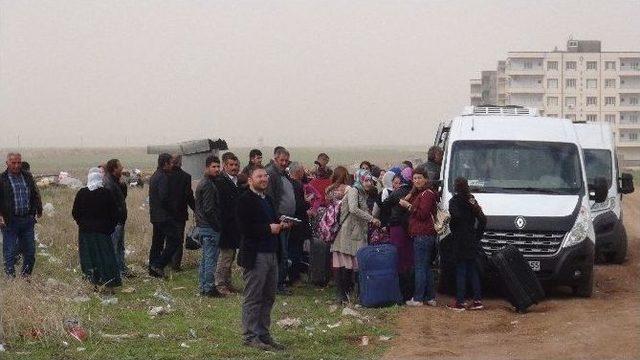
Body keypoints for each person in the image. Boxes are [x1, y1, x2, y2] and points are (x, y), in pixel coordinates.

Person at [236, 166, 289, 351]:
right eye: (259, 176)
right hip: (255, 255)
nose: (264, 179)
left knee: (268, 296)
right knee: (253, 297)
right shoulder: (244, 200)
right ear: (250, 179)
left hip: (272, 253)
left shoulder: (268, 199)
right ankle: (250, 336)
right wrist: (269, 229)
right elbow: (244, 229)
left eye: (265, 175)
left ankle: (263, 334)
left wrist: (281, 224)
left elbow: (270, 222)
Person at [331, 169, 380, 303]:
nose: (369, 183)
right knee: (345, 262)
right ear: (359, 179)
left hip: (355, 232)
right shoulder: (354, 191)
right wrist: (371, 218)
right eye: (365, 180)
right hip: (348, 232)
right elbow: (353, 209)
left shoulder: (362, 192)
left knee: (351, 263)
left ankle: (347, 295)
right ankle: (342, 295)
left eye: (370, 180)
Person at [72, 168, 121, 292]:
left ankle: (92, 283)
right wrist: (110, 227)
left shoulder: (82, 193)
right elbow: (115, 214)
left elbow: (75, 212)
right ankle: (109, 284)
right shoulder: (106, 193)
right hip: (103, 233)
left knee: (89, 257)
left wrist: (82, 224)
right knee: (105, 257)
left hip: (86, 233)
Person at [447, 177, 486, 311]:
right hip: (471, 239)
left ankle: (460, 301)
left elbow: (456, 217)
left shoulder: (454, 201)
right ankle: (477, 300)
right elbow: (483, 220)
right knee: (473, 270)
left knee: (461, 270)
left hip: (459, 240)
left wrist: (452, 224)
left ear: (455, 187)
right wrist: (477, 236)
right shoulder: (471, 199)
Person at [0, 153, 42, 277]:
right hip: (9, 222)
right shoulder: (2, 179)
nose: (17, 165)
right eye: (13, 163)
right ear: (7, 163)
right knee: (10, 252)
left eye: (19, 162)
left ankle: (25, 277)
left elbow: (35, 194)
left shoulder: (27, 177)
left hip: (27, 221)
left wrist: (36, 211)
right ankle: (11, 279)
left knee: (30, 252)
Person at [402, 169, 438, 307]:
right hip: (425, 234)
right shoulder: (422, 193)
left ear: (426, 179)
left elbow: (422, 214)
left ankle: (417, 298)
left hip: (422, 234)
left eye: (419, 178)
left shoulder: (427, 194)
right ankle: (430, 297)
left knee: (420, 267)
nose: (417, 180)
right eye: (415, 178)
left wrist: (409, 206)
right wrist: (411, 193)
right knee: (426, 266)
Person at [265, 147, 296, 295]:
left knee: (284, 253)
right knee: (281, 253)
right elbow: (271, 198)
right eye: (281, 160)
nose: (284, 163)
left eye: (286, 160)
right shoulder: (272, 174)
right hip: (279, 221)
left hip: (287, 220)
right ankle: (278, 285)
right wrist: (278, 219)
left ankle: (280, 282)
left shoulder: (283, 174)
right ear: (275, 159)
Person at [382, 167, 415, 300]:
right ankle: (410, 292)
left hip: (397, 228)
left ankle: (400, 292)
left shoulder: (398, 192)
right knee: (409, 260)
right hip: (411, 228)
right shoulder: (415, 192)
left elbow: (384, 204)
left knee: (398, 260)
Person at [194, 156, 224, 297]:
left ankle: (204, 286)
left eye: (218, 167)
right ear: (206, 167)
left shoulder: (206, 182)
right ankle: (209, 288)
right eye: (214, 167)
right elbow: (208, 209)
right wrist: (217, 226)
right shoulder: (207, 185)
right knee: (211, 259)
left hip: (204, 226)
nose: (217, 169)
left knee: (206, 258)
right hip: (209, 227)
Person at [214, 152, 242, 295]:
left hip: (235, 225)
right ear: (225, 166)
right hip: (225, 225)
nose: (234, 167)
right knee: (225, 256)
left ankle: (228, 283)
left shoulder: (238, 181)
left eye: (236, 165)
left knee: (231, 256)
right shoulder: (220, 181)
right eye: (231, 165)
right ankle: (220, 284)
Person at [148, 153, 179, 278]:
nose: (173, 165)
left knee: (157, 243)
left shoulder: (155, 175)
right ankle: (159, 265)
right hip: (164, 216)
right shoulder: (163, 177)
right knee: (175, 241)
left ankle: (152, 268)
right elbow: (164, 198)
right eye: (171, 163)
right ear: (165, 163)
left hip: (155, 215)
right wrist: (172, 209)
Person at [103, 158, 133, 278]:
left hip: (120, 221)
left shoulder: (115, 182)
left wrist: (122, 184)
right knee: (114, 248)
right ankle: (114, 273)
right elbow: (110, 204)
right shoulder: (109, 184)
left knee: (120, 247)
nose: (122, 168)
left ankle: (121, 270)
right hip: (115, 222)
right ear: (114, 169)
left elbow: (122, 197)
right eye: (120, 166)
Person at [287, 162, 313, 285]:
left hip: (289, 220)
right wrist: (307, 202)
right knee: (295, 250)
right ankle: (294, 277)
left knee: (291, 248)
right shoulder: (297, 185)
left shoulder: (286, 183)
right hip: (298, 222)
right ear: (298, 172)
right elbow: (299, 205)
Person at [169, 155, 195, 271]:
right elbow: (188, 196)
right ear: (181, 162)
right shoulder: (186, 177)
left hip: (166, 213)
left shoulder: (165, 175)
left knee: (167, 238)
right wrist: (196, 208)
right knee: (178, 240)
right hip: (180, 213)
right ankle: (176, 265)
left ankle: (167, 261)